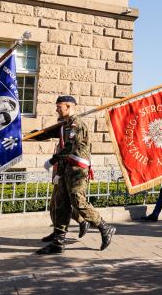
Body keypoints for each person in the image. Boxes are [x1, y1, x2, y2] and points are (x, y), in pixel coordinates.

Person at [33, 95, 115, 254]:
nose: (56, 108)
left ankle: (104, 227)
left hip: (77, 171)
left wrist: (52, 160)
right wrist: (26, 136)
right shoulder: (64, 125)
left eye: (59, 106)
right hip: (65, 169)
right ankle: (58, 242)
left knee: (78, 201)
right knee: (61, 204)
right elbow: (46, 133)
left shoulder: (77, 125)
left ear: (69, 107)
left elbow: (70, 147)